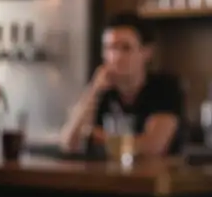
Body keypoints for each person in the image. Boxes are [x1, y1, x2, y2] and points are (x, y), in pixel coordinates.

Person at [60, 12, 184, 158]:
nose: (116, 57)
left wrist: (101, 138)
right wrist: (93, 90)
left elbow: (153, 146)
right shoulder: (101, 91)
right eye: (109, 48)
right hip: (108, 178)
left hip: (154, 179)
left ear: (147, 52)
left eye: (126, 48)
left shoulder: (165, 87)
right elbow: (69, 143)